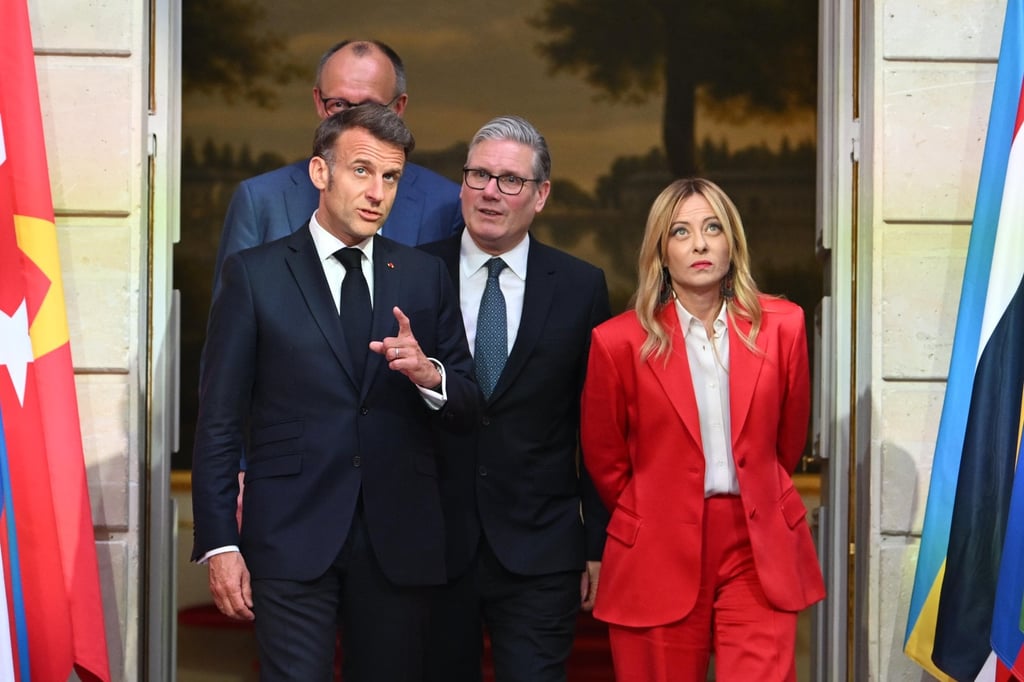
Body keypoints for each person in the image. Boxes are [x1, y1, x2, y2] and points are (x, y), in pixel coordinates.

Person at [191, 104, 478, 681]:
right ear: (320, 172)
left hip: (399, 541)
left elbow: (470, 404)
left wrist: (430, 376)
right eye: (362, 171)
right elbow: (219, 420)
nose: (377, 193)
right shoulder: (254, 274)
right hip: (290, 534)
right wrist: (220, 543)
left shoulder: (424, 275)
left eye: (391, 177)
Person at [579, 178, 825, 681]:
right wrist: (655, 506)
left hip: (756, 545)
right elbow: (605, 460)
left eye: (713, 228)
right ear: (661, 252)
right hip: (657, 547)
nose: (699, 244)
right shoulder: (617, 342)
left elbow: (787, 439)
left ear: (732, 242)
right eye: (681, 232)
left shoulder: (784, 326)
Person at [420, 115, 611, 682]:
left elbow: (596, 427)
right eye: (478, 175)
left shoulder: (580, 287)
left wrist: (598, 544)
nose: (490, 192)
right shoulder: (412, 271)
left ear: (540, 195)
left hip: (541, 548)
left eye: (510, 180)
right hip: (431, 544)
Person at [212, 38, 462, 291]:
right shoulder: (260, 199)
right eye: (339, 105)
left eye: (370, 107)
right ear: (319, 102)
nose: (353, 122)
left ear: (398, 107)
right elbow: (233, 307)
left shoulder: (445, 203)